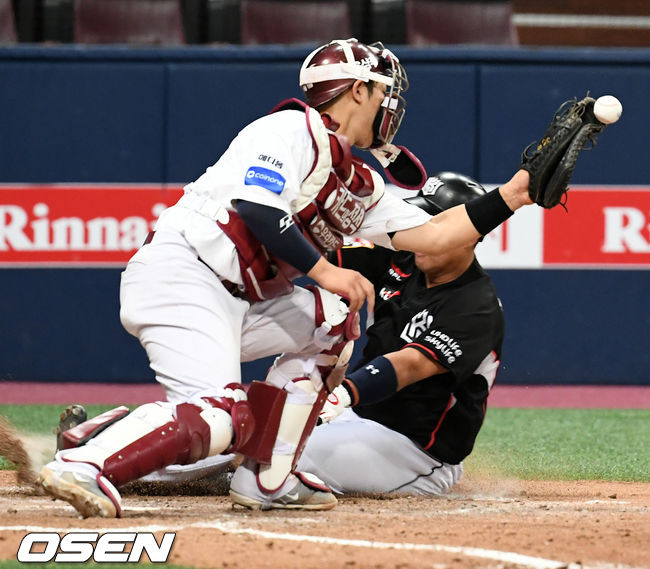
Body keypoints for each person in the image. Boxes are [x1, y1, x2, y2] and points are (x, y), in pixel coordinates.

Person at [39, 38, 533, 518]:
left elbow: (435, 234)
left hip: (240, 301)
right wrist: (327, 272)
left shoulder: (356, 181)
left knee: (334, 322)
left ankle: (268, 475)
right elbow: (258, 208)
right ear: (358, 89)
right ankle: (86, 463)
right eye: (384, 91)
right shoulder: (290, 130)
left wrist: (514, 195)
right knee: (224, 417)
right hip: (185, 275)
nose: (390, 104)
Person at [296, 172, 503, 495]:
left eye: (432, 223)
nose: (420, 231)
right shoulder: (402, 255)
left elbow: (410, 365)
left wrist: (341, 396)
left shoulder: (477, 305)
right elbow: (317, 252)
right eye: (418, 219)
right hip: (358, 417)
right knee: (256, 436)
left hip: (415, 452)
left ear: (468, 235)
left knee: (285, 454)